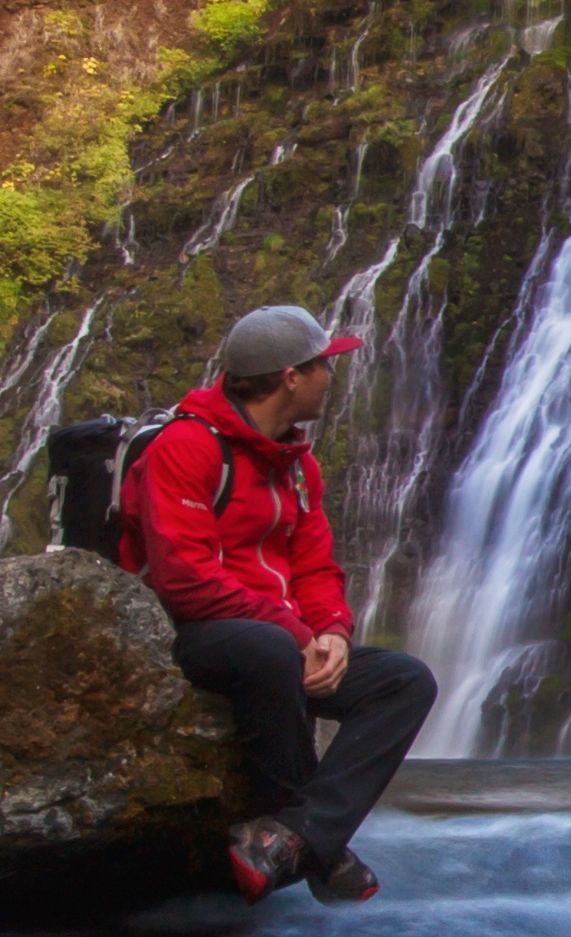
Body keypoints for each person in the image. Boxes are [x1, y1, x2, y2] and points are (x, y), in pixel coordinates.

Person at [128, 304, 437, 904]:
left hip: (283, 635)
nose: (333, 375)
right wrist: (295, 632)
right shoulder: (185, 448)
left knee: (404, 680)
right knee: (267, 649)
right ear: (291, 377)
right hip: (193, 633)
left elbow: (316, 565)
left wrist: (332, 634)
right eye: (325, 364)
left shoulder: (298, 467)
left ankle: (293, 835)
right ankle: (321, 848)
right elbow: (184, 580)